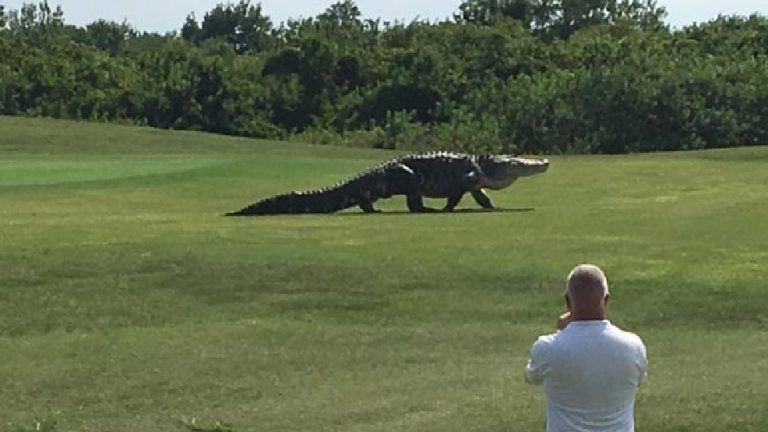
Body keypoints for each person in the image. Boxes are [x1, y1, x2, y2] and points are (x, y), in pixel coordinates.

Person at [524, 264, 647, 432]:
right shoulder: (633, 347)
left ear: (567, 301)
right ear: (606, 300)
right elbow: (638, 379)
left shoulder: (546, 348)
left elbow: (532, 377)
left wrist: (562, 331)